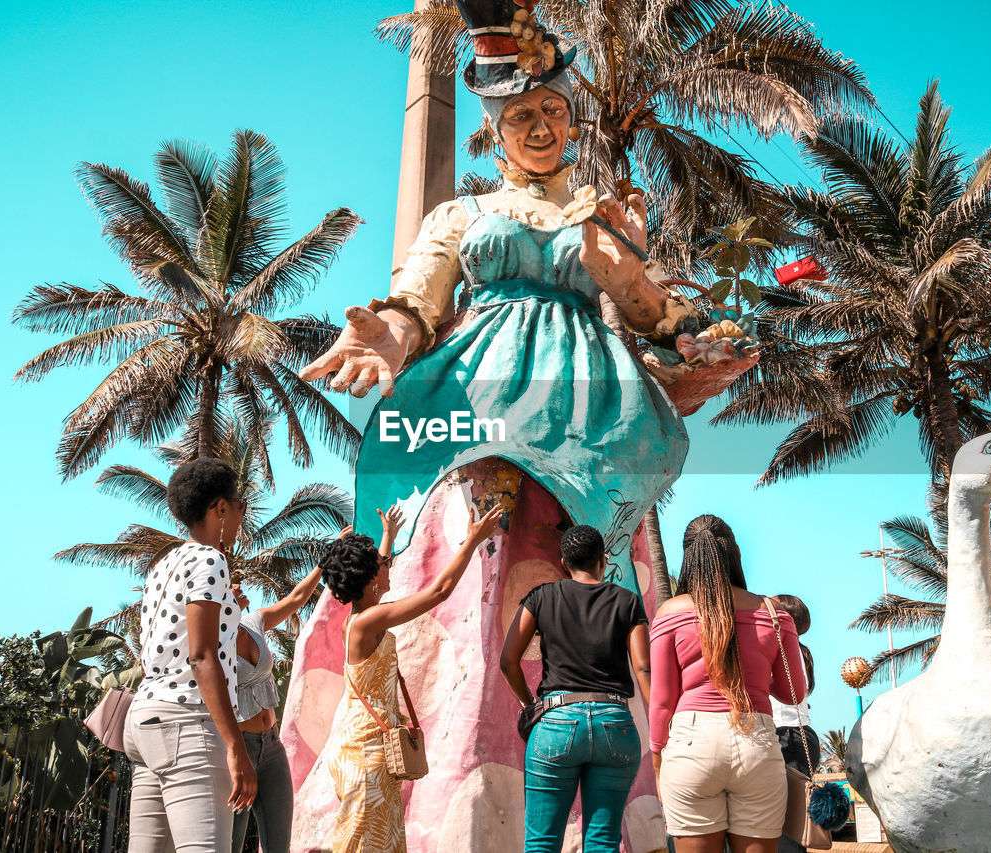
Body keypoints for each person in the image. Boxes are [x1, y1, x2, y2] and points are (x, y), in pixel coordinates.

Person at [283, 3, 754, 848]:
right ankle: (459, 795)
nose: (543, 127)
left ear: (573, 125)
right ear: (496, 134)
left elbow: (654, 312)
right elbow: (415, 307)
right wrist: (383, 335)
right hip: (478, 401)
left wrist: (699, 339)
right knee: (471, 566)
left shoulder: (600, 219)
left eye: (555, 113)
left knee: (594, 561)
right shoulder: (460, 218)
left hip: (593, 423)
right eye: (523, 117)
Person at [317, 502, 504, 853]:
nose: (389, 568)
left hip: (369, 746)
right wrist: (472, 540)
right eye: (385, 565)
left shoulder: (363, 615)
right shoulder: (369, 621)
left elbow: (377, 573)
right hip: (366, 752)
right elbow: (439, 592)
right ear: (372, 579)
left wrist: (388, 537)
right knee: (365, 845)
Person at [649, 515, 807, 853]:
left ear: (687, 556)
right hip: (757, 742)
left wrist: (657, 761)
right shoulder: (775, 614)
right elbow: (793, 693)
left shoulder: (670, 613)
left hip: (691, 746)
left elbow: (662, 701)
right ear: (735, 552)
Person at [124, 458, 257, 853]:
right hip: (188, 723)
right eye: (240, 506)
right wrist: (236, 746)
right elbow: (202, 656)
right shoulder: (210, 559)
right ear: (219, 508)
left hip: (145, 722)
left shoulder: (163, 564)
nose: (240, 515)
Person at [499, 525, 652, 853]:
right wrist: (662, 731)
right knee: (603, 842)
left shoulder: (540, 597)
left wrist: (532, 705)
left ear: (564, 562)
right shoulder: (627, 601)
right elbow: (642, 668)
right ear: (603, 560)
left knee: (542, 843)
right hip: (615, 723)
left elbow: (508, 660)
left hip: (556, 720)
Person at [227, 517, 375, 853]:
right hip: (239, 747)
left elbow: (296, 598)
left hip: (271, 744)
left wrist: (326, 560)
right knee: (230, 844)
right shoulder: (211, 646)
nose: (238, 587)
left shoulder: (253, 623)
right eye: (229, 587)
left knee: (280, 843)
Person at [766, 596, 819, 853]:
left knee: (787, 829)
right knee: (792, 825)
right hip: (796, 735)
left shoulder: (782, 645)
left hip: (787, 734)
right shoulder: (798, 648)